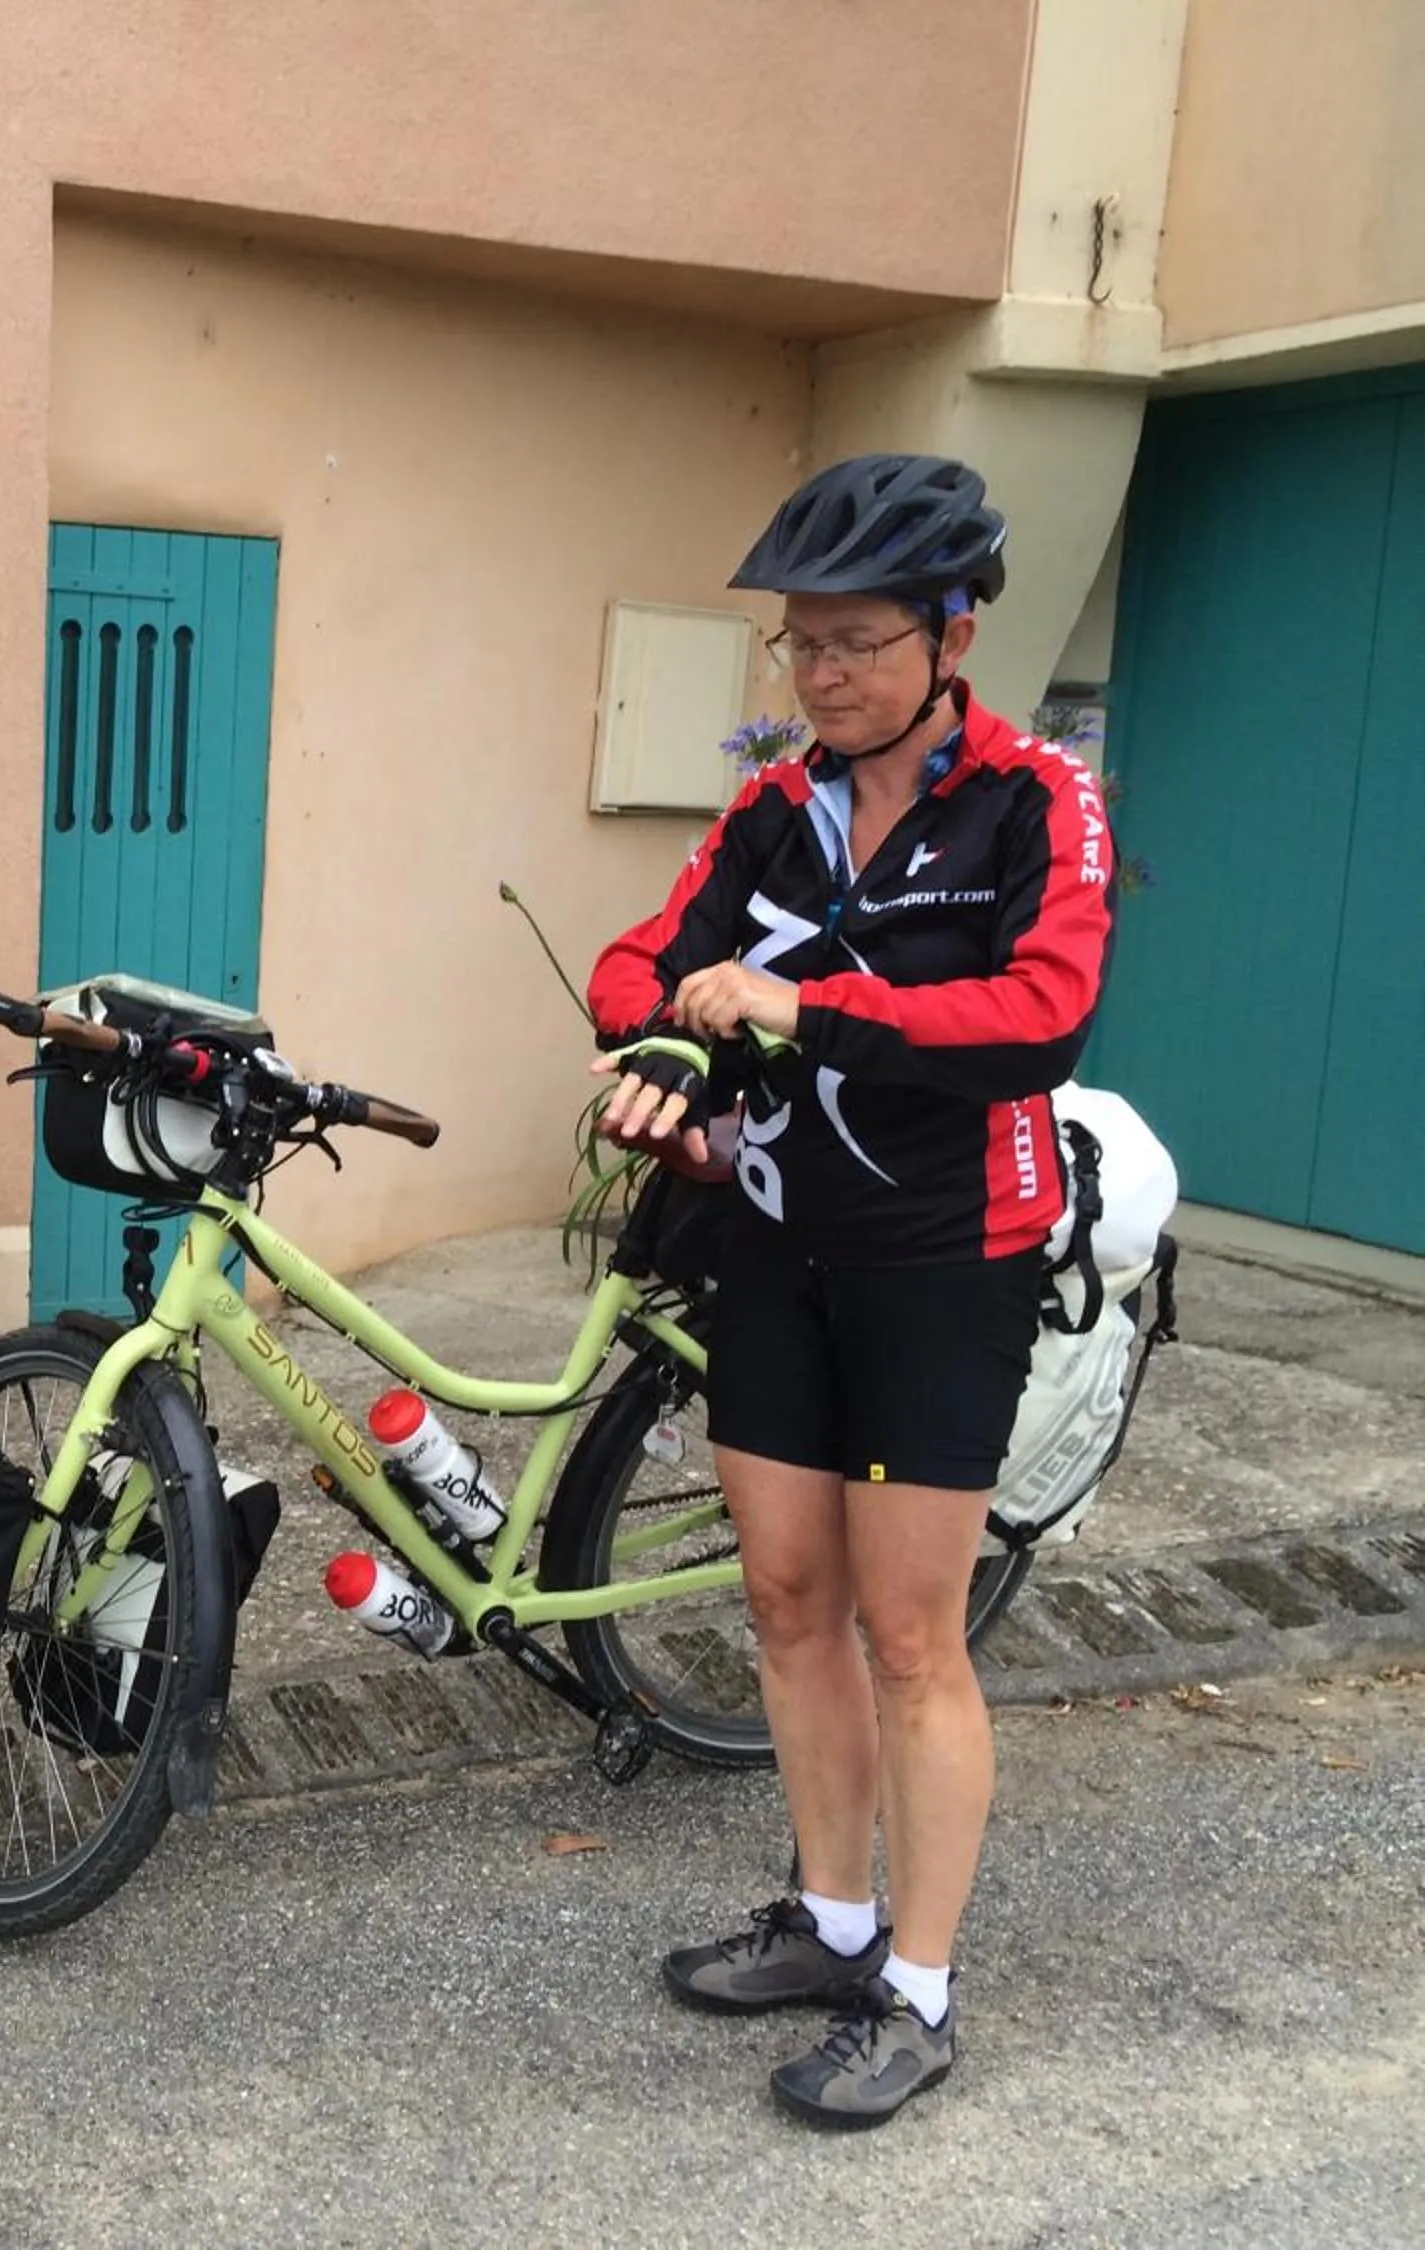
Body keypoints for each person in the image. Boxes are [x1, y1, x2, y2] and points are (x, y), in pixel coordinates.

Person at [585, 453, 1115, 2127]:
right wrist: (670, 1039)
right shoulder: (774, 811)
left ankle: (920, 1985)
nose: (819, 676)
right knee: (790, 1604)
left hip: (945, 1262)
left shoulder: (1037, 799)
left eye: (857, 642)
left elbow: (1041, 1017)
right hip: (777, 1243)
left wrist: (807, 1014)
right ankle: (826, 1919)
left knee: (909, 1632)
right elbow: (634, 961)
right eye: (799, 645)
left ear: (952, 634)